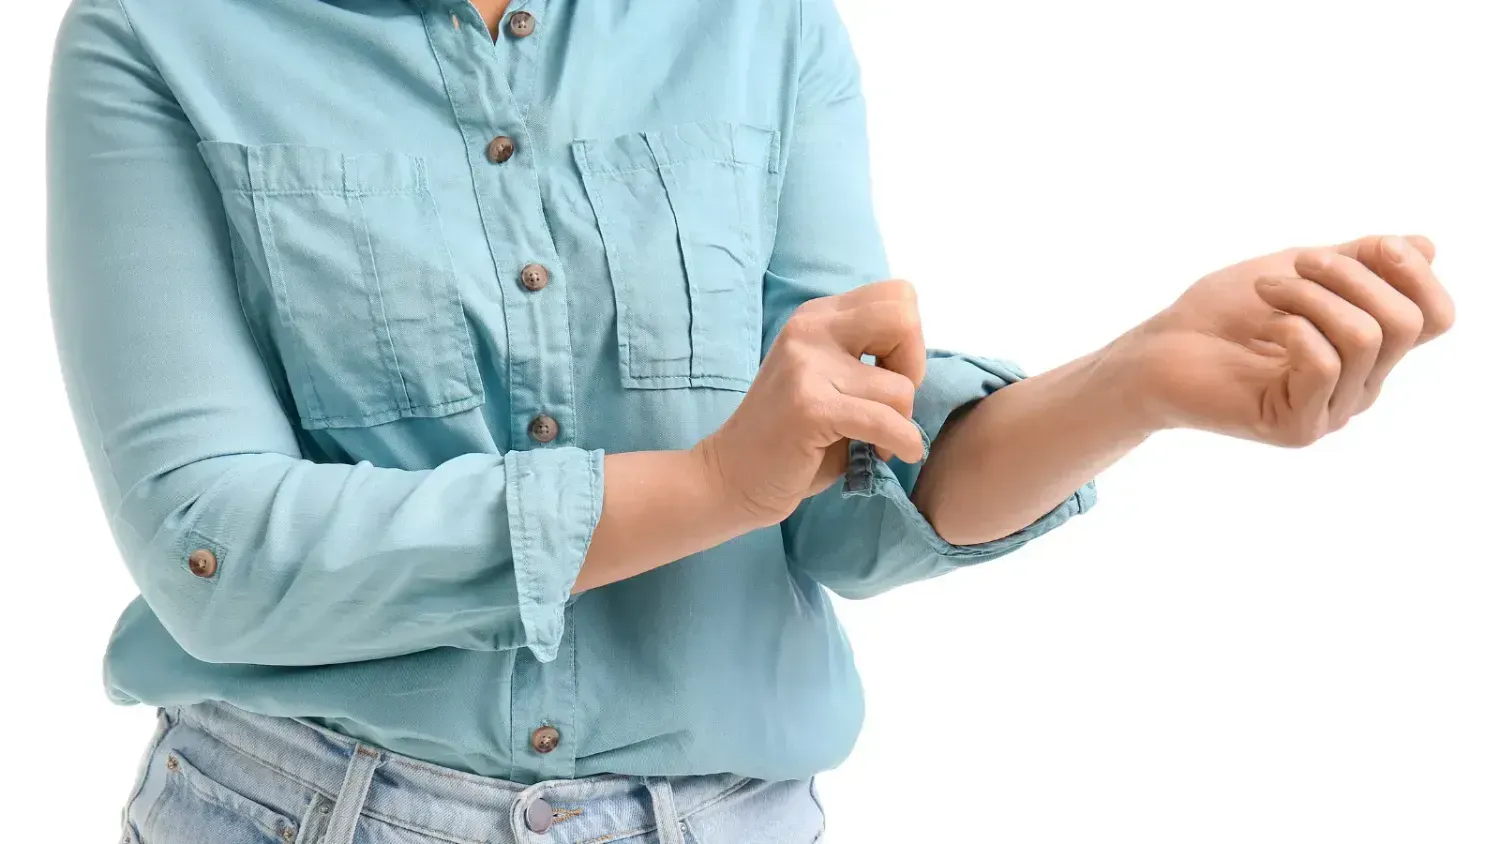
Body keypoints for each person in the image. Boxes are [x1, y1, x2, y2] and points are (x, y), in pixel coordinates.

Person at [47, 0, 1454, 840]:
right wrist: (719, 479)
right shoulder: (162, 34)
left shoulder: (758, 21)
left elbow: (842, 481)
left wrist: (1137, 380)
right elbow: (213, 550)